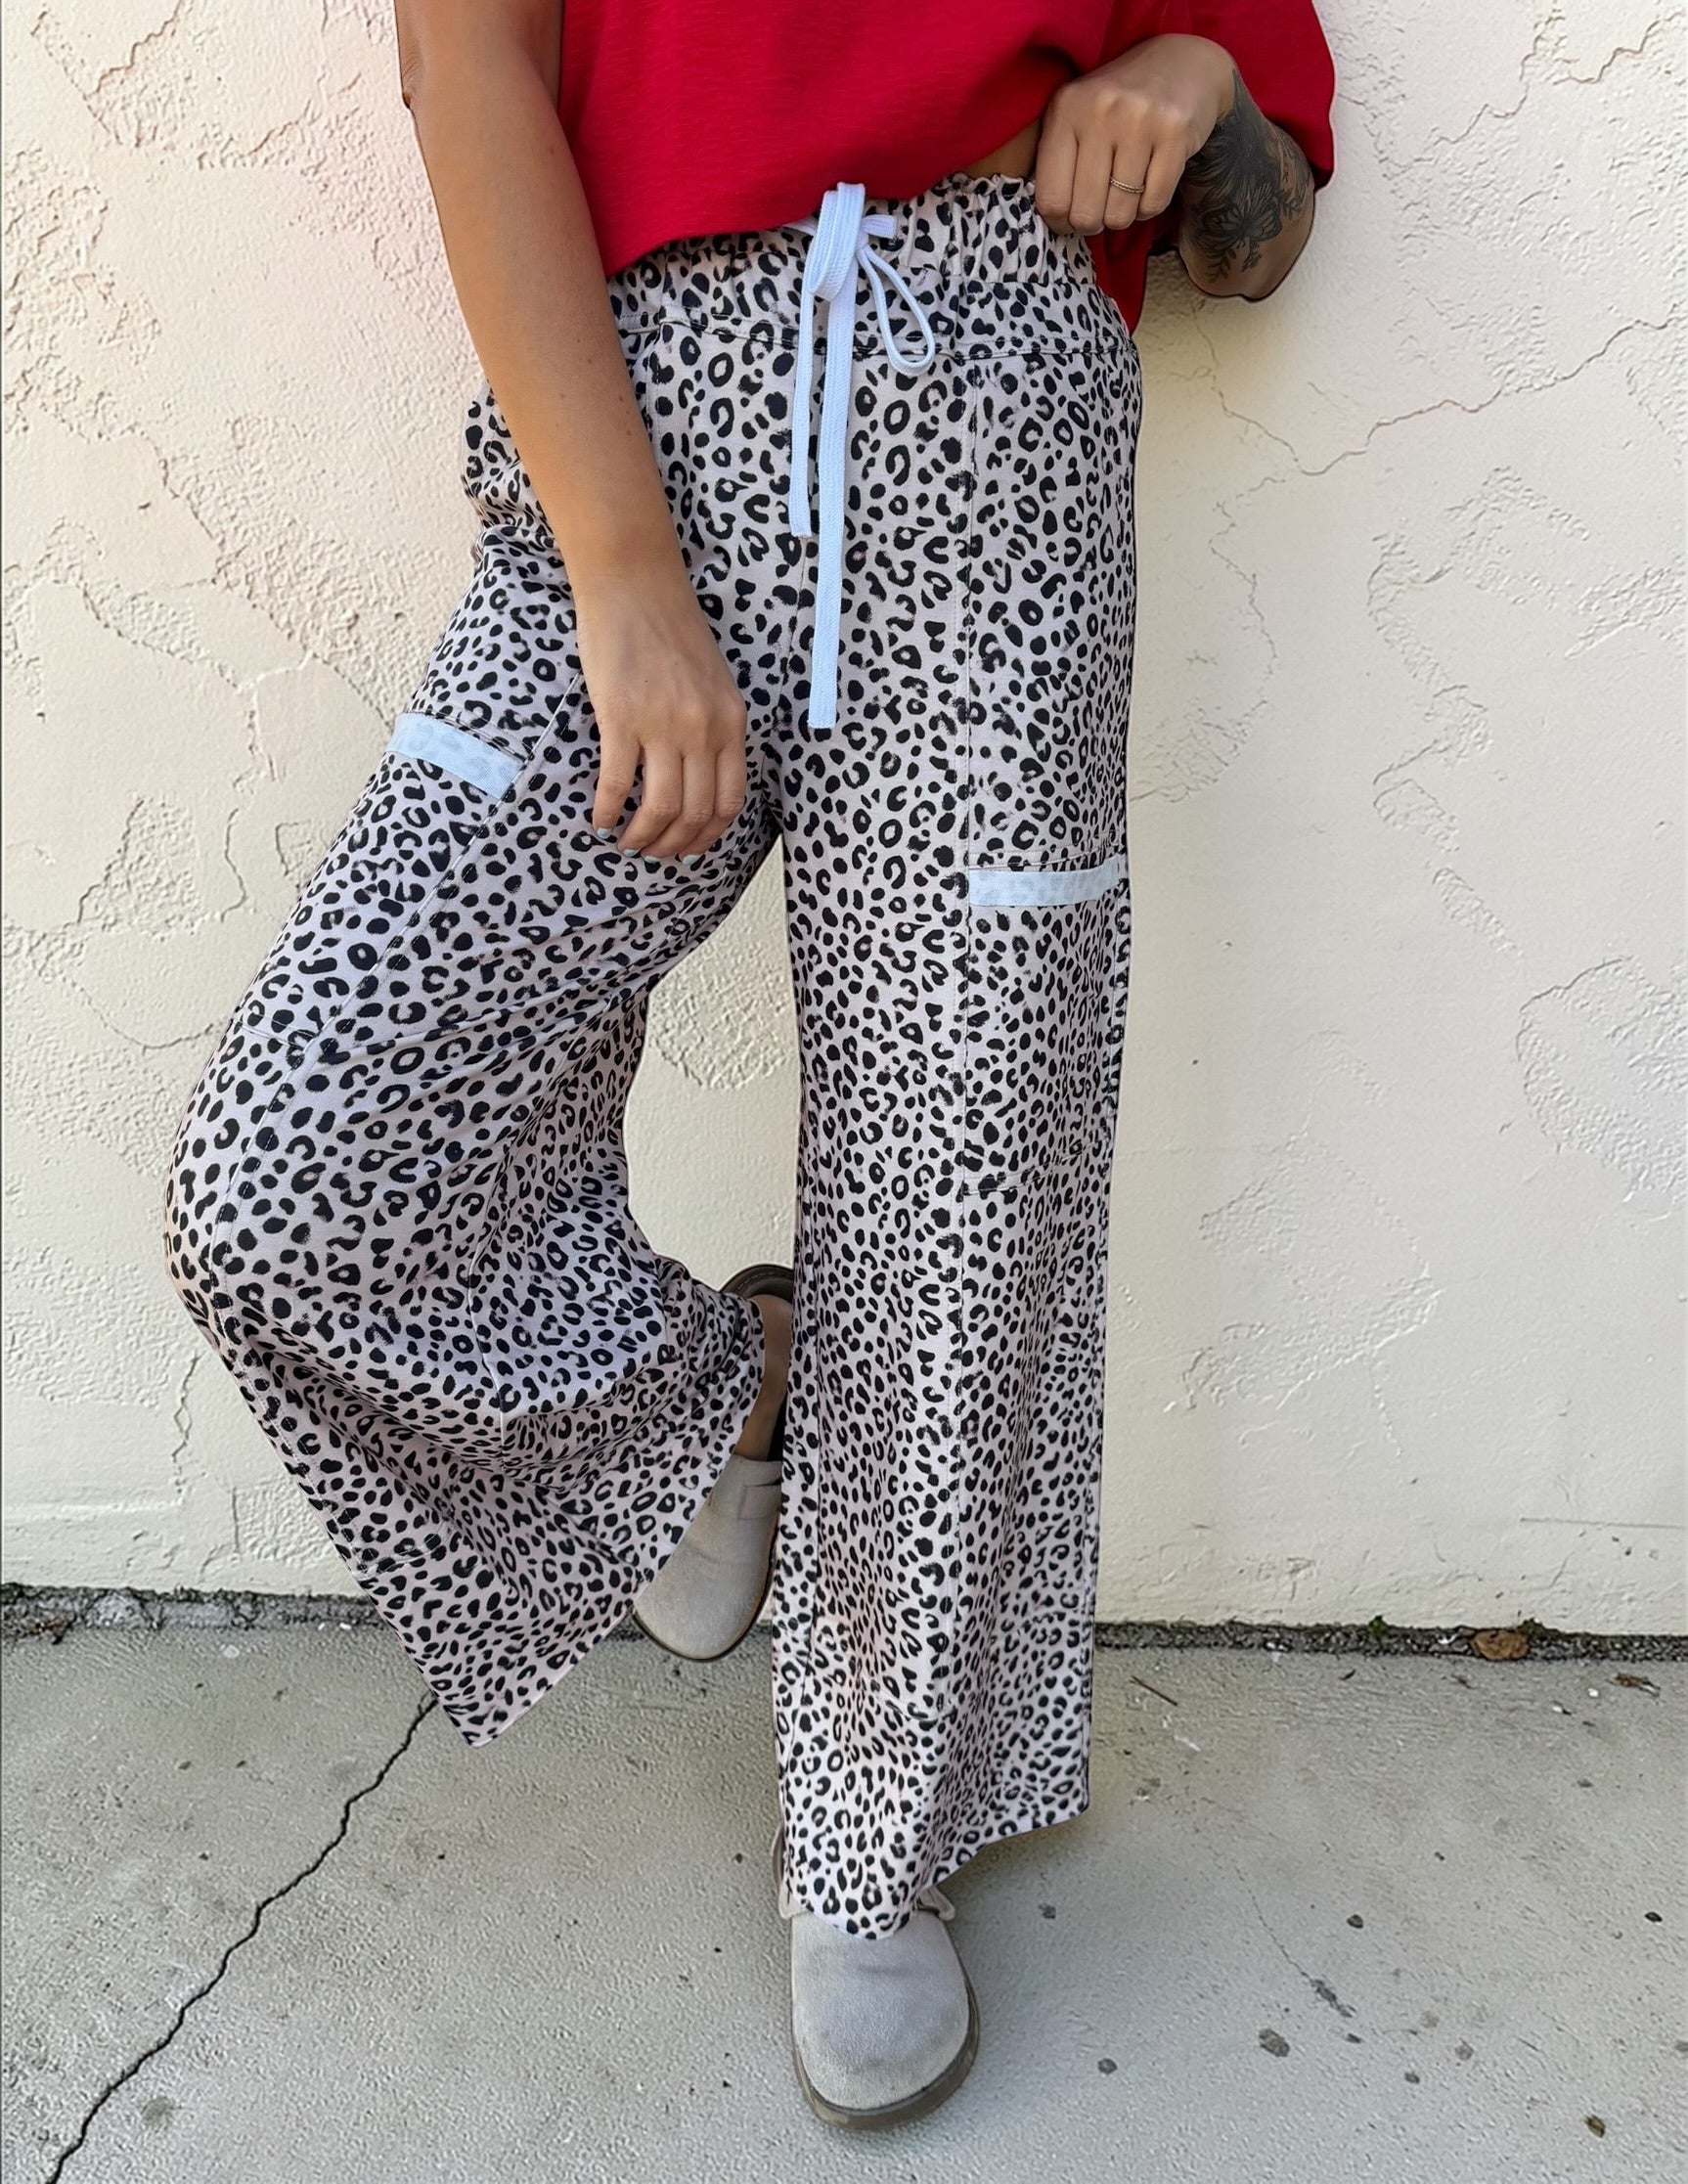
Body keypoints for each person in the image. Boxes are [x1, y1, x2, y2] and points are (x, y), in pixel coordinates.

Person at [163, 0, 1335, 2129]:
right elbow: (471, 71)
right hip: (636, 417)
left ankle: (875, 1840)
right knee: (295, 1171)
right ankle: (722, 1406)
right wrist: (622, 574)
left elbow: (1255, 226)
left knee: (958, 1185)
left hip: (994, 438)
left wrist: (1201, 88)